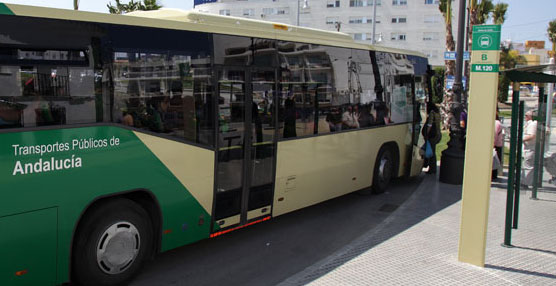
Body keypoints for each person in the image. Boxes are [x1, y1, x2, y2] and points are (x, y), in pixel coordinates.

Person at [422, 102, 441, 174]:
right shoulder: (437, 113)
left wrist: (426, 134)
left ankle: (432, 169)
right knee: (433, 151)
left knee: (431, 153)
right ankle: (432, 168)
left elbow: (429, 125)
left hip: (432, 135)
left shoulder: (432, 113)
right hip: (438, 134)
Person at [520, 110, 537, 188]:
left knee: (528, 165)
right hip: (527, 148)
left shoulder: (532, 124)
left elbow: (532, 136)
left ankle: (525, 183)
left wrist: (521, 139)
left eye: (526, 115)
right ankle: (523, 181)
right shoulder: (530, 124)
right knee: (525, 164)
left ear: (530, 116)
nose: (525, 117)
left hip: (530, 148)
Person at [492, 112, 504, 181]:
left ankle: (493, 176)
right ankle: (494, 175)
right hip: (498, 144)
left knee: (494, 161)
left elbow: (494, 134)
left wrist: (492, 144)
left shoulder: (495, 123)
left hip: (496, 145)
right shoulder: (498, 122)